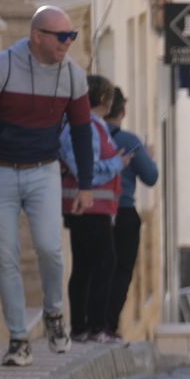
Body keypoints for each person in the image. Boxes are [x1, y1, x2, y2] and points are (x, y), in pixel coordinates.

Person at [0, 6, 94, 366]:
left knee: (51, 249)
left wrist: (86, 183)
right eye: (61, 36)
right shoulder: (0, 67)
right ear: (37, 36)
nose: (68, 43)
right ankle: (19, 339)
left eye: (72, 36)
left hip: (43, 171)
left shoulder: (73, 76)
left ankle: (54, 315)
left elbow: (83, 132)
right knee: (6, 257)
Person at [59, 75, 130, 344]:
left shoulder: (90, 125)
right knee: (103, 263)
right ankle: (94, 326)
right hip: (90, 207)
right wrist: (117, 164)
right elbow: (84, 169)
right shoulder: (87, 127)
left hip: (90, 207)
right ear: (103, 99)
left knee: (86, 266)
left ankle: (82, 327)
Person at [103, 88, 158, 341]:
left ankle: (90, 324)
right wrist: (148, 156)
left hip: (95, 211)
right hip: (123, 211)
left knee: (95, 267)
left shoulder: (90, 136)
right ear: (122, 110)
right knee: (122, 270)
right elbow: (151, 176)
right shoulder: (129, 141)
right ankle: (109, 324)